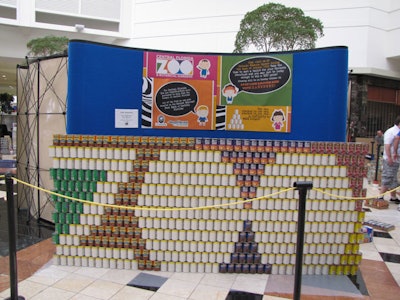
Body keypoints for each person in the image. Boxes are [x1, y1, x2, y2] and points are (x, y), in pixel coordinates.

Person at [380, 116, 400, 204]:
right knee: (387, 177)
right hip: (391, 158)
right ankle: (380, 196)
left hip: (396, 159)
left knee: (393, 178)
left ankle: (393, 196)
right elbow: (387, 145)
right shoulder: (391, 132)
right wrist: (389, 157)